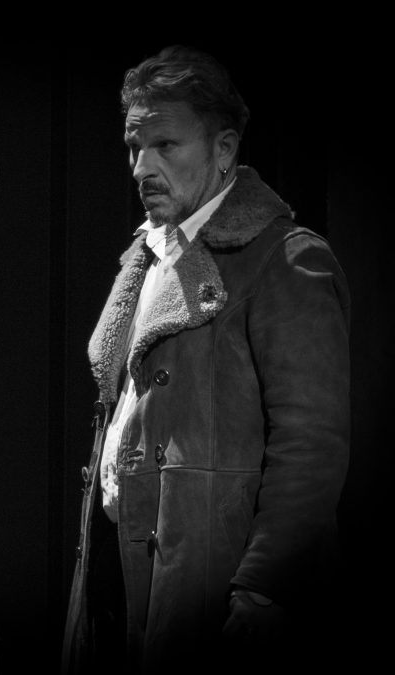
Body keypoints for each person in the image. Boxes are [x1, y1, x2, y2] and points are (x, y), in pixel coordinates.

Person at [61, 45, 351, 673]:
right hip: (124, 559)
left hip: (212, 578)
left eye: (166, 145)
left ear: (224, 150)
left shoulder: (285, 260)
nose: (143, 166)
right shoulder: (147, 256)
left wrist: (266, 586)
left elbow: (311, 444)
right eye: (135, 147)